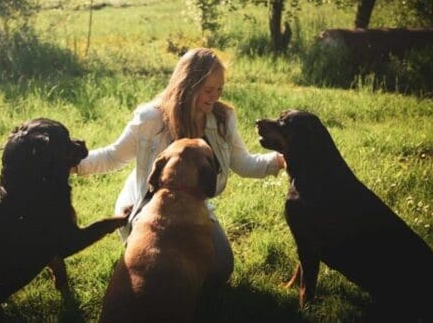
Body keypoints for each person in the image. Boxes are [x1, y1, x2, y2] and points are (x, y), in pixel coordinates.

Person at [74, 47, 285, 283]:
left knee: (220, 268)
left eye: (219, 89)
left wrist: (280, 160)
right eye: (207, 90)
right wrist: (73, 164)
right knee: (159, 272)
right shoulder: (151, 119)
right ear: (188, 85)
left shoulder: (223, 119)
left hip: (192, 207)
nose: (215, 96)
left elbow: (243, 163)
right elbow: (113, 156)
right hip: (147, 204)